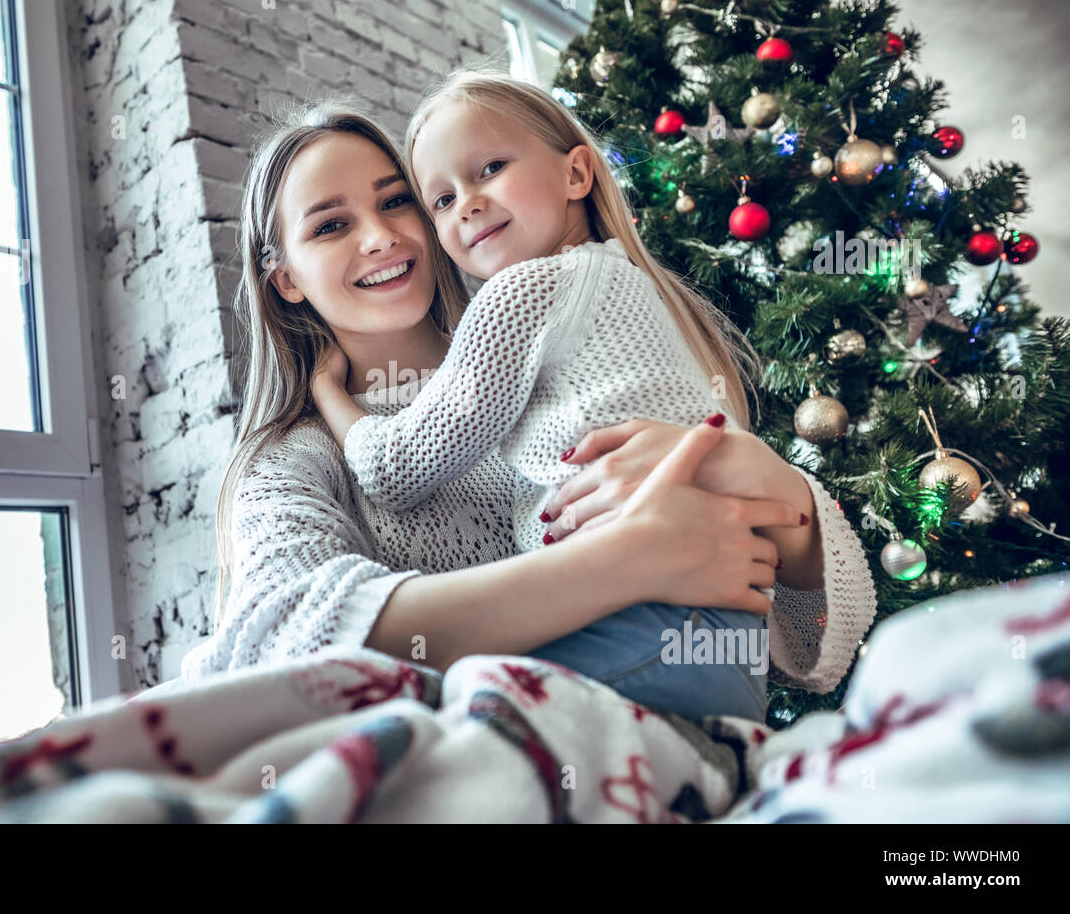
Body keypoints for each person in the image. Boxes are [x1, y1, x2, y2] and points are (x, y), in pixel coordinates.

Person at [176, 101, 876, 721]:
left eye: (398, 203)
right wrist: (630, 560)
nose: (380, 236)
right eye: (330, 225)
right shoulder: (294, 459)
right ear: (286, 279)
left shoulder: (556, 360)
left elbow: (809, 645)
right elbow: (276, 636)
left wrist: (772, 487)